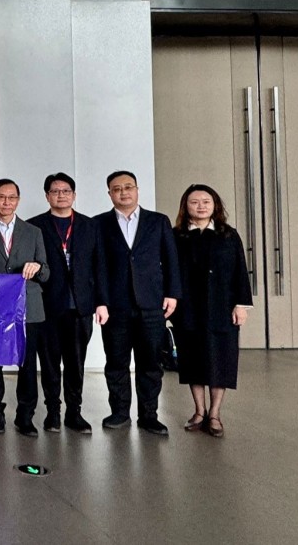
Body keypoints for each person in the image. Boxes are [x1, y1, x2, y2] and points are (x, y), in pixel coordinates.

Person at [95, 170, 181, 436]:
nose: (123, 192)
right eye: (117, 188)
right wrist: (100, 301)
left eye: (128, 187)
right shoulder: (99, 224)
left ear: (137, 190)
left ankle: (149, 415)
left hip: (152, 303)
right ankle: (120, 412)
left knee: (150, 363)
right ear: (109, 193)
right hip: (115, 306)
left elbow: (171, 259)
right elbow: (98, 267)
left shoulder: (158, 221)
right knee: (116, 362)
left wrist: (172, 293)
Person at [28, 172, 110, 433]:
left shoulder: (90, 226)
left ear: (74, 195)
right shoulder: (33, 226)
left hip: (80, 306)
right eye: (55, 191)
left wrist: (101, 302)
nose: (60, 195)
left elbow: (100, 266)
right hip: (47, 305)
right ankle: (53, 412)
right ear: (47, 196)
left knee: (75, 364)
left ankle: (74, 413)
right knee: (49, 363)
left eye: (66, 191)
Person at [172, 184, 252, 438]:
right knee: (192, 358)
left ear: (215, 205)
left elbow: (240, 271)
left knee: (221, 359)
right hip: (188, 308)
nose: (201, 206)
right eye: (194, 202)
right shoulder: (177, 236)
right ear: (185, 206)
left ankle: (215, 414)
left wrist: (241, 305)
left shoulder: (228, 235)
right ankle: (199, 411)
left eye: (206, 201)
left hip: (222, 307)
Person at [0, 179, 50, 437]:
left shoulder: (33, 232)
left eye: (12, 197)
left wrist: (37, 267)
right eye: (1, 197)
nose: (6, 202)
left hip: (28, 308)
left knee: (27, 364)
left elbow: (46, 272)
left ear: (18, 200)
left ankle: (25, 416)